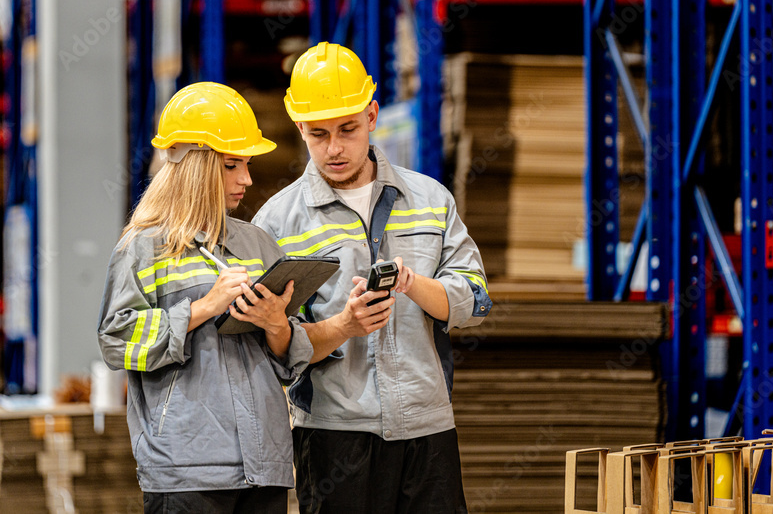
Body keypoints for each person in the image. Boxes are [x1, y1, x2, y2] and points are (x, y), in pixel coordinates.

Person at [253, 42, 492, 513]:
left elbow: (476, 302)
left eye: (347, 129)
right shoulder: (278, 223)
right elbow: (276, 347)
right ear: (299, 128)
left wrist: (411, 284)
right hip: (333, 436)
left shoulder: (430, 199)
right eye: (318, 134)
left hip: (428, 430)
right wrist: (346, 324)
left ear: (372, 115)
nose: (335, 148)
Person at [97, 82, 312, 514]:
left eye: (247, 164)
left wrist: (277, 325)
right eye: (233, 165)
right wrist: (201, 309)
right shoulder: (144, 248)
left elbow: (294, 356)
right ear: (197, 167)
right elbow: (116, 340)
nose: (247, 179)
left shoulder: (259, 245)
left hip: (264, 465)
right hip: (186, 467)